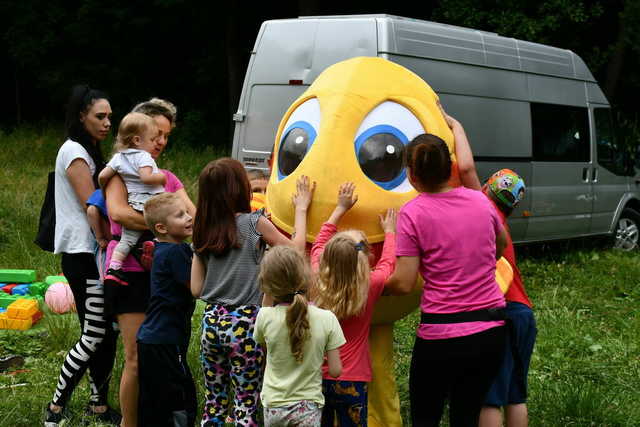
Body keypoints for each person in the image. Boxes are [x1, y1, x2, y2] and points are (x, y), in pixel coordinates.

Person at [385, 132, 509, 427]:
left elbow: (403, 282)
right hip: (490, 331)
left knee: (426, 418)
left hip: (442, 337)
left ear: (412, 175)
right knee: (466, 416)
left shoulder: (413, 212)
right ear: (449, 166)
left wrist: (372, 282)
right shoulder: (480, 201)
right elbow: (501, 245)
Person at [190, 158, 314, 427]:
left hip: (211, 323)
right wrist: (301, 210)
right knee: (245, 406)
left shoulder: (200, 229)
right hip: (246, 323)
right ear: (238, 189)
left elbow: (196, 289)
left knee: (214, 404)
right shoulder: (253, 223)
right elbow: (293, 251)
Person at [438, 104, 537, 427]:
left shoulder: (484, 211)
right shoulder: (502, 223)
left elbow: (465, 169)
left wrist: (456, 125)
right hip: (523, 313)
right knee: (514, 393)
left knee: (488, 394)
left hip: (498, 313)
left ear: (487, 190)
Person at [103, 97, 195, 427]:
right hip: (130, 272)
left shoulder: (165, 177)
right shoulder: (120, 171)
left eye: (166, 136)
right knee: (136, 357)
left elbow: (192, 215)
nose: (160, 142)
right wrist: (164, 225)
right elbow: (118, 213)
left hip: (164, 275)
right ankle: (129, 422)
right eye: (156, 133)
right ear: (138, 132)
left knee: (161, 357)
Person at [46, 84, 120, 426]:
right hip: (82, 254)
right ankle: (56, 408)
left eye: (109, 116)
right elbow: (94, 203)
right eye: (99, 116)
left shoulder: (88, 151)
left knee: (105, 331)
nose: (107, 122)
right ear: (81, 117)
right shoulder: (74, 151)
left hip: (96, 254)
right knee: (94, 333)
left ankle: (98, 404)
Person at [309, 182, 397, 427]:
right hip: (353, 380)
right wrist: (390, 232)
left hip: (316, 377)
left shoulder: (317, 277)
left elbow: (318, 245)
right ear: (364, 259)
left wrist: (340, 208)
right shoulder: (369, 285)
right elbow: (388, 263)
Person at [254, 245, 346, 427]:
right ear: (306, 279)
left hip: (274, 405)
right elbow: (335, 371)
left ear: (267, 286)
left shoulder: (264, 317)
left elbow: (265, 345)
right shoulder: (327, 319)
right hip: (308, 406)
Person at [136, 192, 197, 427]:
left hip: (151, 339)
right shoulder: (177, 252)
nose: (189, 217)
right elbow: (195, 287)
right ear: (161, 227)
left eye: (187, 212)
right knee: (181, 397)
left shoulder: (162, 250)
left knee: (153, 402)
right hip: (167, 340)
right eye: (180, 215)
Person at [99, 112, 166, 286]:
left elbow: (102, 176)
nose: (155, 144)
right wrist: (160, 178)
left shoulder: (118, 157)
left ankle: (114, 269)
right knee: (166, 225)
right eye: (152, 140)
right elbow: (146, 177)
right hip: (153, 201)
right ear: (137, 140)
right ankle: (154, 245)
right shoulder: (144, 156)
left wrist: (104, 188)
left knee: (127, 240)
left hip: (134, 203)